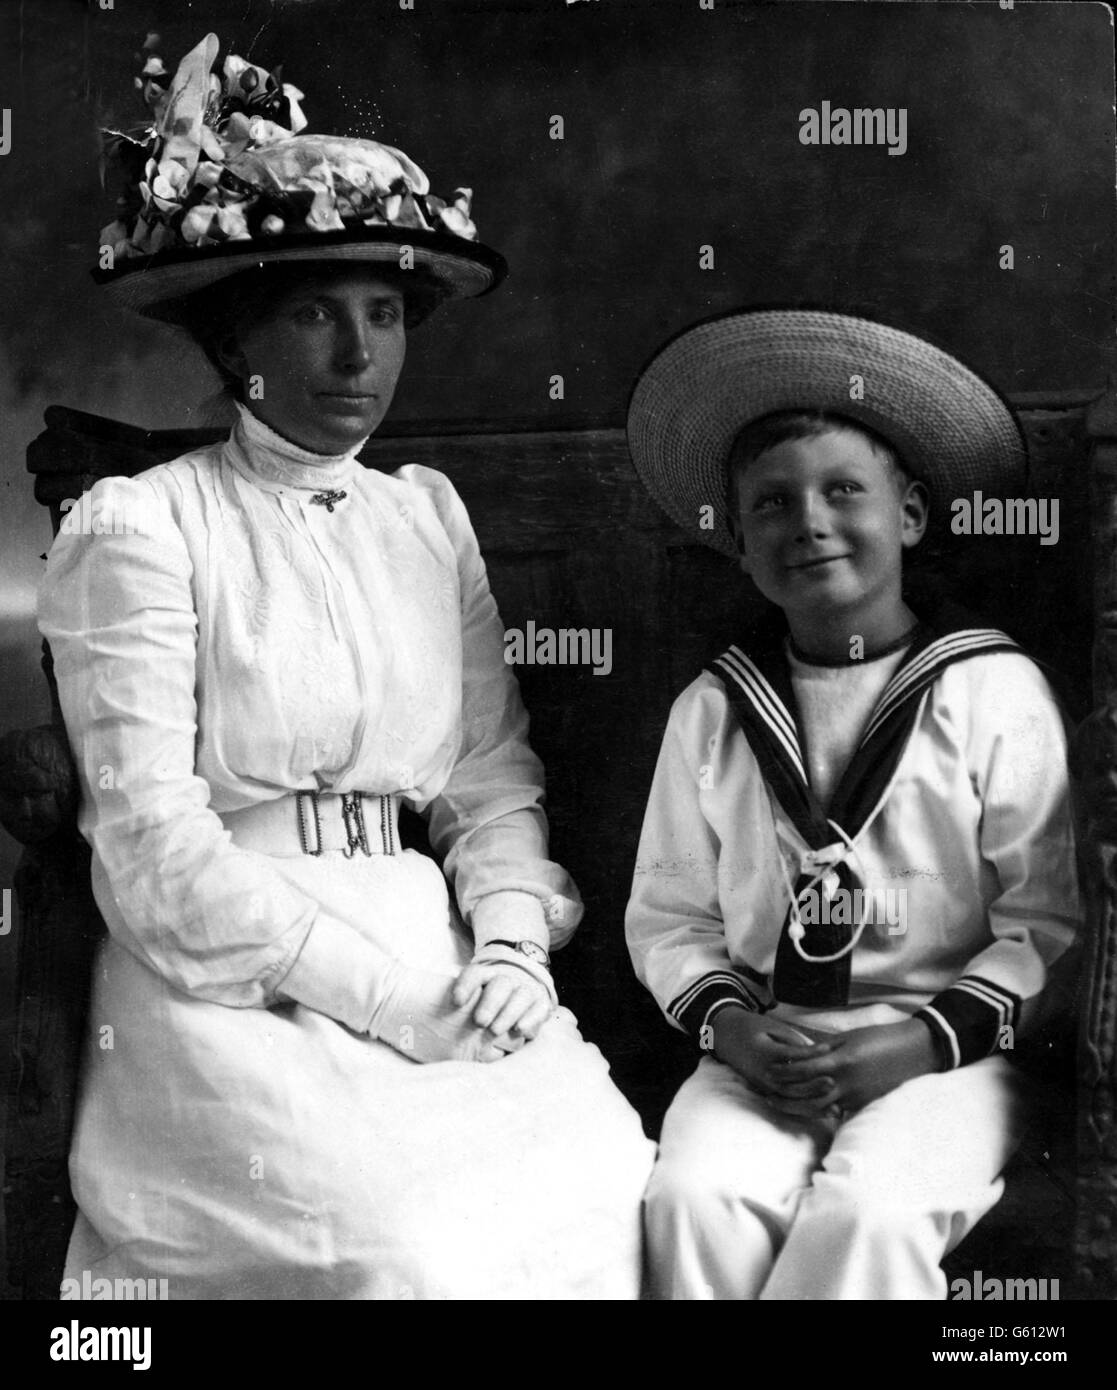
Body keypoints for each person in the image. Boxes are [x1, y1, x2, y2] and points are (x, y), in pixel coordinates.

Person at [40, 33, 654, 1300]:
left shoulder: (422, 516)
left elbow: (487, 777)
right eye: (313, 314)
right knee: (404, 1256)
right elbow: (152, 846)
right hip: (225, 979)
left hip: (428, 941)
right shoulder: (140, 525)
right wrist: (387, 1001)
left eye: (382, 316)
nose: (356, 359)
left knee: (611, 1180)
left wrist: (507, 947)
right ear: (233, 337)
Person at [623, 307, 1081, 1300]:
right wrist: (731, 1028)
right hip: (767, 1043)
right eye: (772, 505)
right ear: (740, 541)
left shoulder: (987, 687)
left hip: (947, 1050)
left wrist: (922, 1039)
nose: (810, 522)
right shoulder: (712, 708)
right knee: (691, 1202)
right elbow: (669, 917)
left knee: (866, 1215)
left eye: (843, 490)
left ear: (908, 514)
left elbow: (1045, 919)